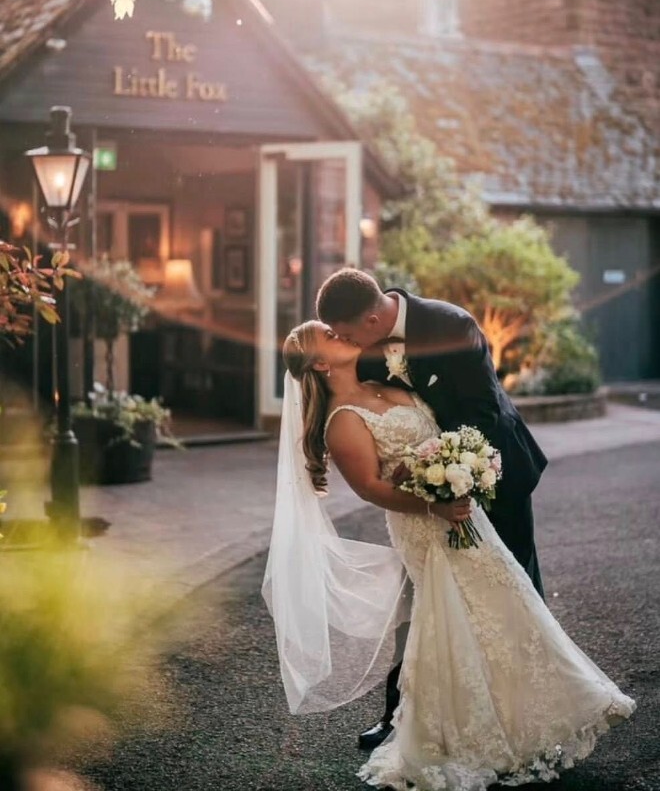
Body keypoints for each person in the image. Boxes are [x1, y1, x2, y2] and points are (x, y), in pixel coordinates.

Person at [263, 319, 634, 791]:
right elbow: (373, 488)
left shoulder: (384, 381)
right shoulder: (342, 421)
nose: (341, 334)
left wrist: (459, 468)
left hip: (460, 511)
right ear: (320, 363)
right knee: (455, 617)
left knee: (503, 602)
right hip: (425, 525)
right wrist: (432, 504)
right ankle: (462, 737)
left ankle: (530, 717)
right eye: (330, 338)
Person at [316, 268, 547, 749]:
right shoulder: (363, 349)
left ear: (376, 317)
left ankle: (529, 708)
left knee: (512, 587)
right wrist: (420, 482)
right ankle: (400, 716)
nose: (345, 341)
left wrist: (435, 467)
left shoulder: (452, 325)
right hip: (424, 501)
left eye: (349, 333)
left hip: (494, 472)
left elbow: (481, 413)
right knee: (422, 602)